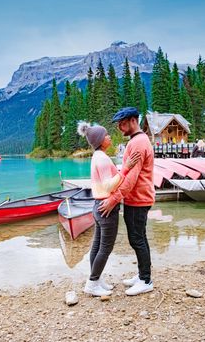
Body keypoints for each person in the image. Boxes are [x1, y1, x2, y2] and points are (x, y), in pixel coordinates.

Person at [77, 121, 140, 297]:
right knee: (105, 247)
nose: (109, 137)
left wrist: (120, 169)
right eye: (106, 135)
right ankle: (92, 283)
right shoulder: (103, 159)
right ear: (99, 140)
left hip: (97, 206)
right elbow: (108, 187)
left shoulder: (97, 156)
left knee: (97, 245)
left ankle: (95, 280)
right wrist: (126, 168)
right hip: (106, 207)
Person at [98, 107, 155, 296]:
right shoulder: (137, 140)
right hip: (136, 198)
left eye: (122, 123)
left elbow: (131, 178)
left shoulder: (138, 143)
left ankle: (146, 280)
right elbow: (128, 172)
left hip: (138, 198)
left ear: (132, 120)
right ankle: (142, 275)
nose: (119, 128)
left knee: (137, 239)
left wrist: (114, 199)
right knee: (139, 237)